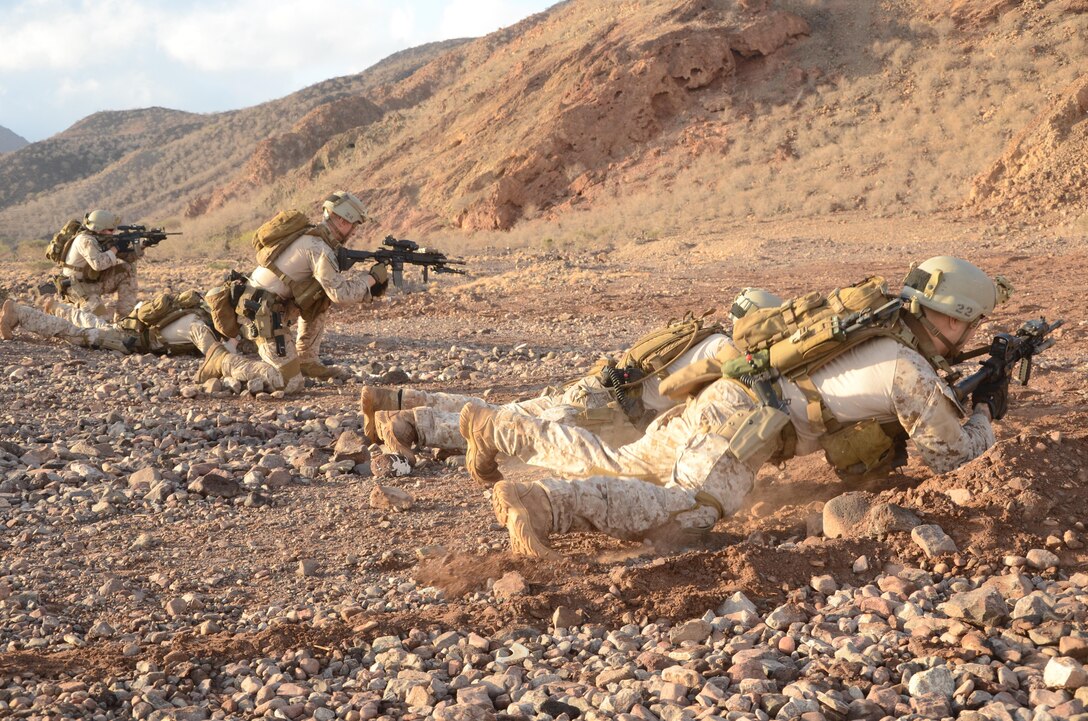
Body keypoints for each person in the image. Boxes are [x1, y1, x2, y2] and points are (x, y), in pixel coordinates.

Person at [459, 257, 1012, 559]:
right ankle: (541, 504)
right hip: (746, 427)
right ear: (953, 315)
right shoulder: (908, 370)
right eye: (973, 323)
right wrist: (985, 412)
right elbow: (951, 457)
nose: (972, 334)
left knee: (624, 464)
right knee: (687, 510)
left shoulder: (869, 326)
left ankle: (503, 429)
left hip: (726, 395)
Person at [360, 288, 784, 462]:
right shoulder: (721, 346)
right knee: (515, 430)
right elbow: (731, 371)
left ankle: (397, 402)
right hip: (608, 408)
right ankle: (410, 428)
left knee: (510, 410)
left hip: (598, 388)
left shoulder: (705, 333)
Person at [240, 191, 388, 384]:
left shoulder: (311, 237)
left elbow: (327, 289)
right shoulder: (319, 248)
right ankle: (226, 365)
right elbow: (341, 294)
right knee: (289, 383)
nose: (354, 231)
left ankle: (306, 360)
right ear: (342, 220)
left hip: (263, 307)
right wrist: (372, 279)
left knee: (319, 295)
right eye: (354, 225)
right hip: (257, 316)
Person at [1, 293, 283, 390]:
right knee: (80, 335)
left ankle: (58, 307)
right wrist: (252, 367)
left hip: (134, 324)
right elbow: (218, 358)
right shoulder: (197, 326)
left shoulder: (201, 314)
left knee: (99, 324)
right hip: (133, 338)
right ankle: (21, 314)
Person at [52, 210, 141, 321]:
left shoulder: (100, 239)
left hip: (93, 283)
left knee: (126, 270)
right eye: (110, 230)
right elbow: (98, 264)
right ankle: (67, 311)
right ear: (99, 229)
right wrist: (116, 247)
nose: (113, 232)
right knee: (100, 322)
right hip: (77, 288)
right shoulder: (85, 240)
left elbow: (129, 258)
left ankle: (124, 319)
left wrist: (145, 244)